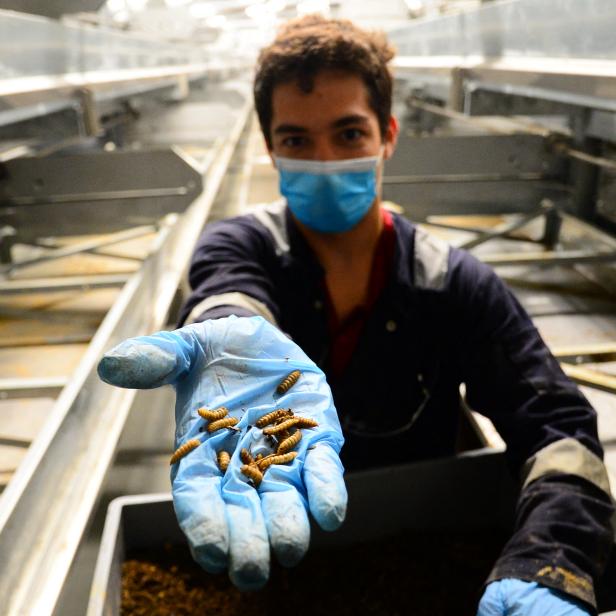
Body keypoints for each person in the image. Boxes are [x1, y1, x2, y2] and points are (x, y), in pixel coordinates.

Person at [98, 15, 614, 615]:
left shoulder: (451, 283)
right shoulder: (239, 244)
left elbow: (558, 428)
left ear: (387, 134)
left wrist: (552, 561)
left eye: (348, 134)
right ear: (269, 148)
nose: (324, 159)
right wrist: (228, 332)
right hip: (273, 553)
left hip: (414, 542)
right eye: (296, 140)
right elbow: (227, 294)